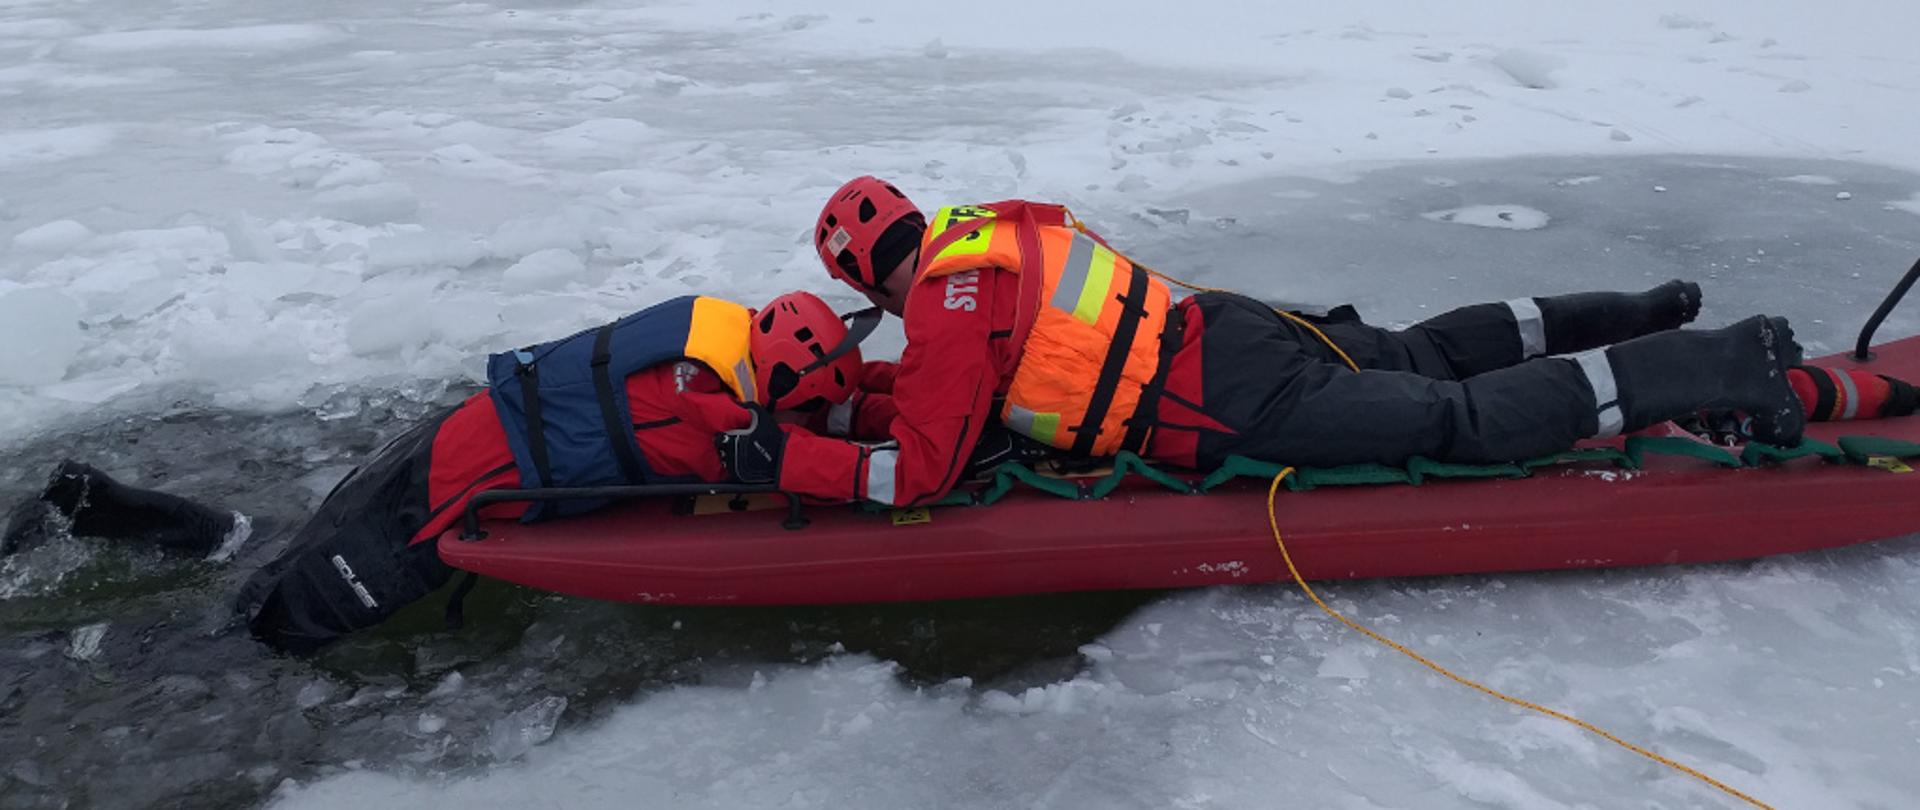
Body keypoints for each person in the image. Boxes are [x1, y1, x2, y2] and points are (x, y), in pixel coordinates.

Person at [712, 176, 1920, 507]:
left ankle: (1719, 366)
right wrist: (873, 393)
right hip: (1229, 325)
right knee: (1430, 352)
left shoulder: (946, 310)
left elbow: (926, 463)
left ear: (856, 277)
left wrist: (802, 457)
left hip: (1218, 406)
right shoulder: (995, 228)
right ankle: (1640, 309)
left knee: (1457, 426)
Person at [3, 291, 881, 651]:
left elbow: (811, 402)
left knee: (258, 552)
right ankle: (49, 655)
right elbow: (838, 473)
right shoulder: (715, 418)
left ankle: (95, 502)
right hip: (442, 502)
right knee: (257, 635)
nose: (801, 416)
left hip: (441, 439)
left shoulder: (718, 324)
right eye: (803, 403)